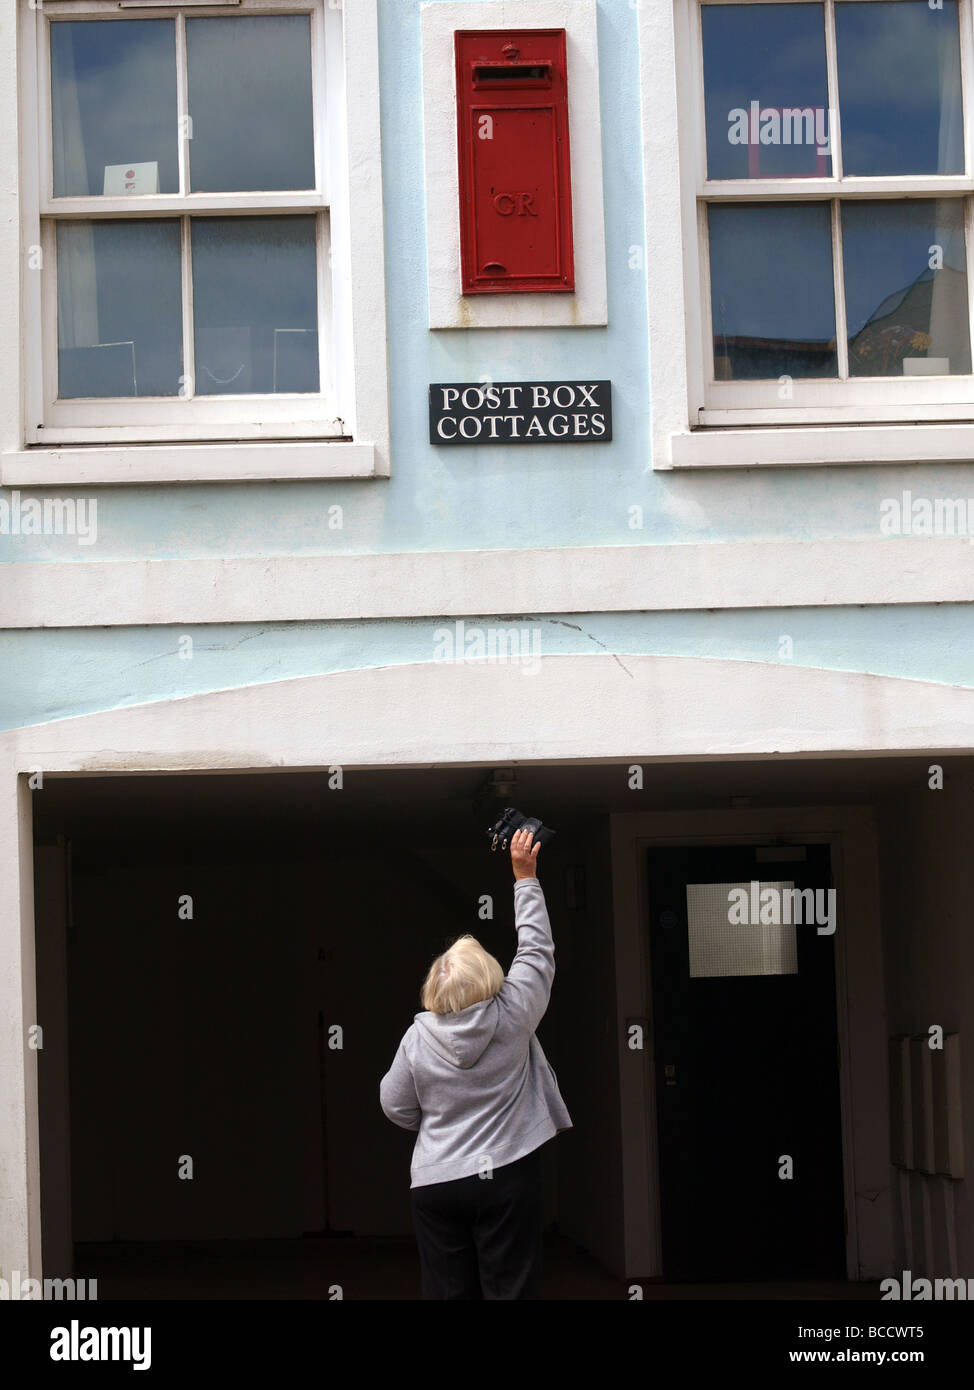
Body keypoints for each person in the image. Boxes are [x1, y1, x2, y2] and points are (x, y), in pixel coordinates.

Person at [379, 826, 572, 1299]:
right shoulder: (515, 1011)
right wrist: (524, 876)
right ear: (490, 976)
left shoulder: (417, 1037)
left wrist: (442, 1121)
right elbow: (536, 949)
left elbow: (395, 1106)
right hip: (506, 1176)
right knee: (511, 1290)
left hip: (437, 1182)